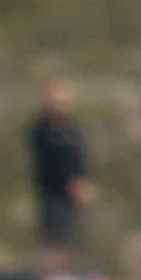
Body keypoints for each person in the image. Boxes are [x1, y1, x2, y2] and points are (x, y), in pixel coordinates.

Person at [31, 77, 92, 264]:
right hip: (53, 194)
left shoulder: (72, 130)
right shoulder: (42, 130)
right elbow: (47, 162)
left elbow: (79, 157)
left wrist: (82, 180)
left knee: (73, 240)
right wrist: (70, 181)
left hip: (72, 197)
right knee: (55, 243)